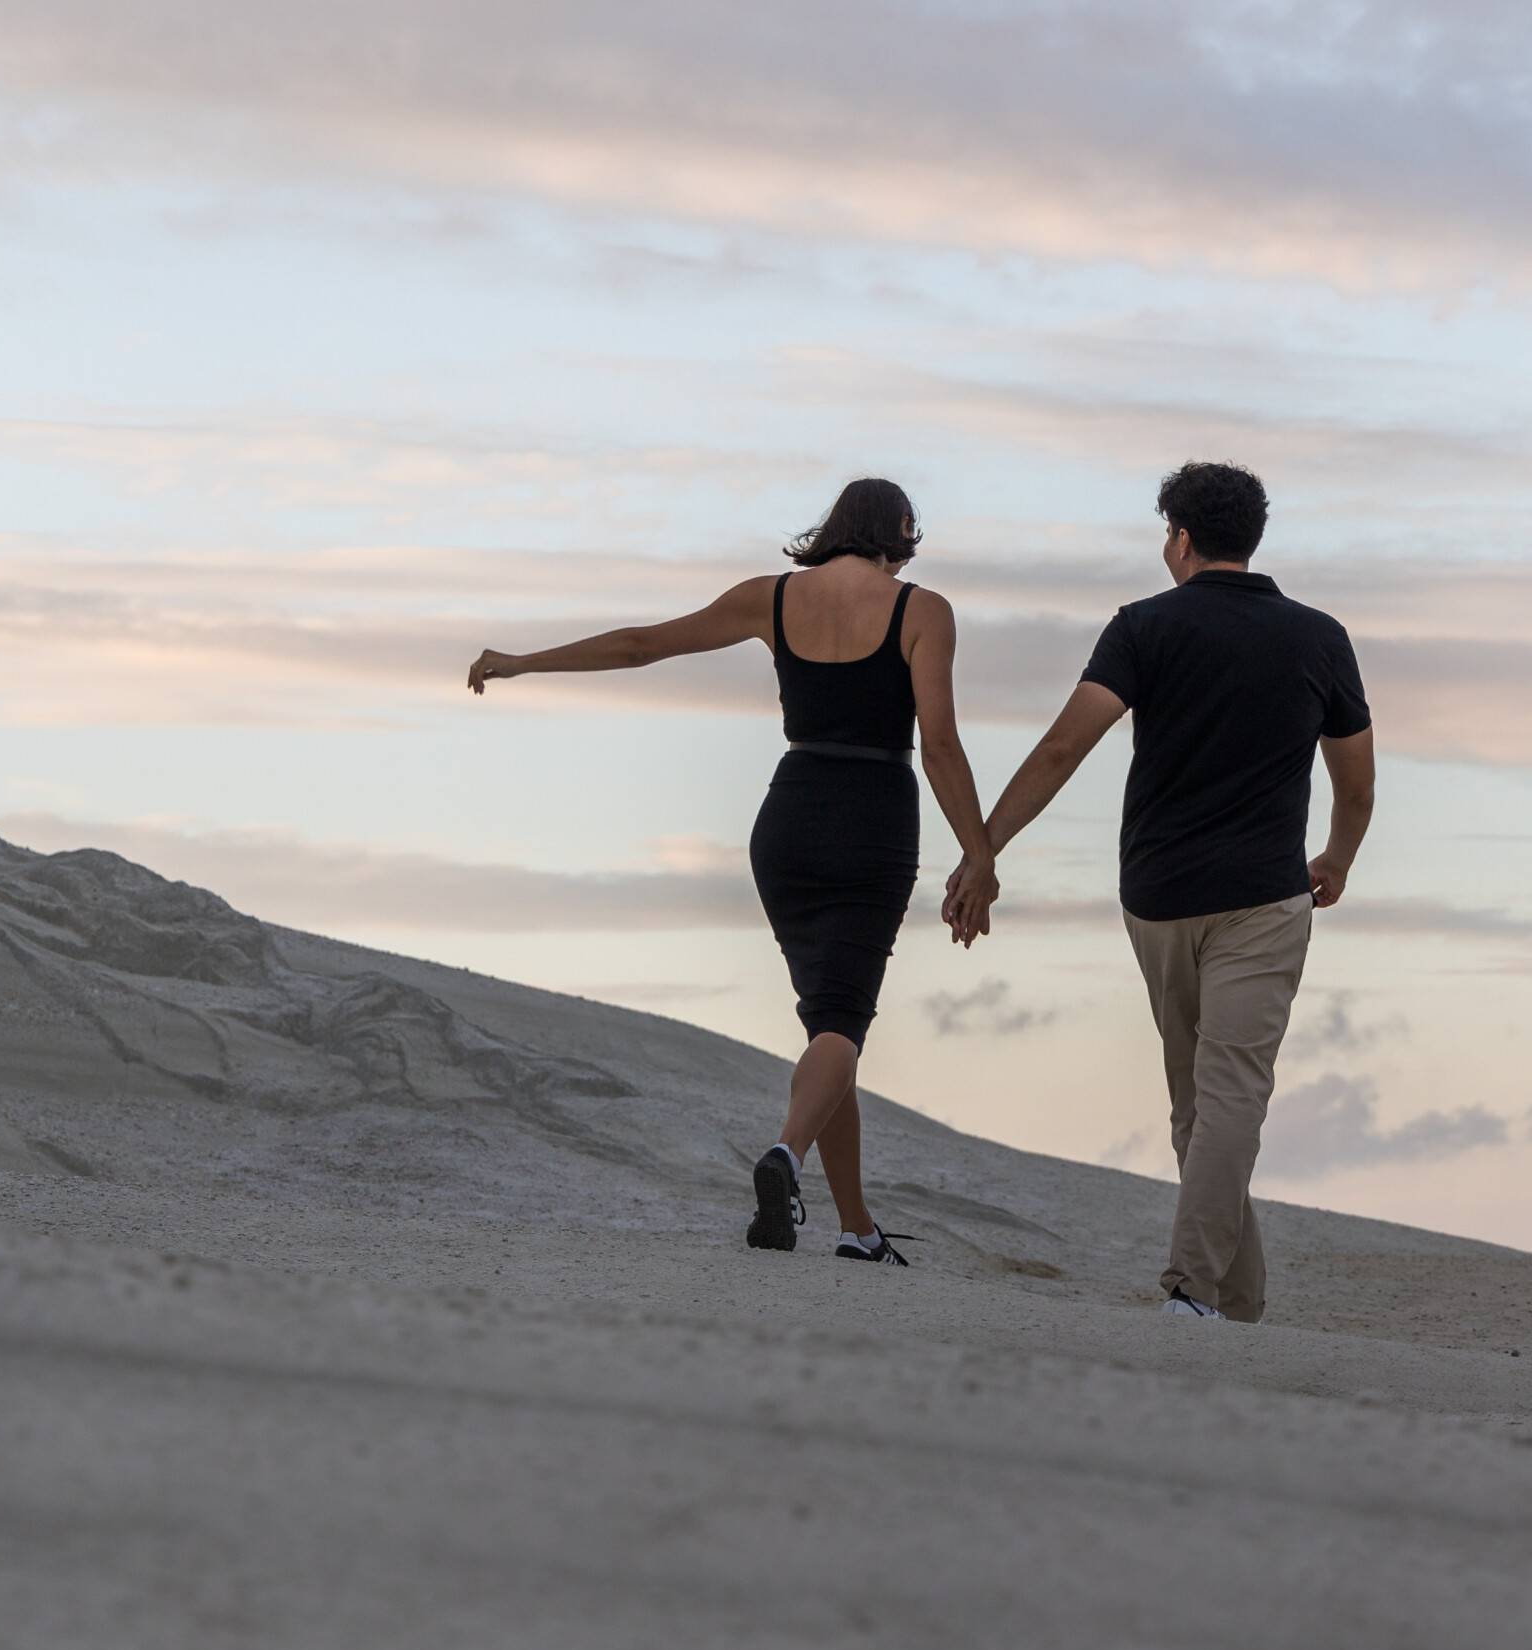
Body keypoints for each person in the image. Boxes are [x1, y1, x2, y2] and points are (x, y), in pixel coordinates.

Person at [469, 477, 999, 1265]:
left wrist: (521, 662)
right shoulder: (923, 610)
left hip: (787, 819)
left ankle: (856, 1228)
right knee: (842, 1023)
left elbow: (642, 644)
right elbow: (941, 744)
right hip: (873, 818)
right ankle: (785, 1156)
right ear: (899, 535)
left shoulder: (773, 598)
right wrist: (978, 855)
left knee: (829, 1024)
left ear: (834, 527)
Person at [953, 462, 1373, 1321]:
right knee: (1216, 1106)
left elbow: (1064, 748)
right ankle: (1226, 1299)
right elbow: (1357, 780)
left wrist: (983, 849)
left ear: (1180, 538)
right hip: (1264, 896)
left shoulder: (1142, 627)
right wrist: (1338, 853)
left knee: (1207, 1105)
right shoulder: (1319, 636)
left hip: (1158, 897)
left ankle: (1202, 1294)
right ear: (1250, 538)